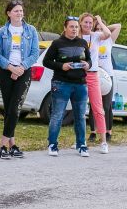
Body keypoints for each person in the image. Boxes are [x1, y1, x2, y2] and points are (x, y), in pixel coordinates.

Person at [0, 0, 40, 159]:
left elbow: (35, 53)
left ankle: (1, 146)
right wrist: (10, 67)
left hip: (24, 72)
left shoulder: (31, 30)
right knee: (8, 109)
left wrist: (20, 68)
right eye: (16, 11)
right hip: (6, 72)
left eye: (21, 10)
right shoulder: (1, 32)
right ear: (9, 13)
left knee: (15, 109)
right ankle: (12, 145)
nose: (19, 13)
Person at [43, 16, 92, 157]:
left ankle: (81, 145)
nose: (74, 29)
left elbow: (89, 60)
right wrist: (61, 66)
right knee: (57, 115)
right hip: (61, 83)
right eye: (71, 26)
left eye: (76, 27)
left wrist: (88, 64)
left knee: (80, 116)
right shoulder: (57, 43)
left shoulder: (83, 42)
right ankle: (52, 145)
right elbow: (46, 61)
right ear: (65, 28)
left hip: (80, 84)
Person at [79, 13, 112, 154]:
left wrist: (99, 20)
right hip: (79, 75)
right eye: (85, 22)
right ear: (80, 23)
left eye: (90, 23)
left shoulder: (96, 36)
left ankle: (103, 141)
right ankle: (80, 140)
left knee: (98, 109)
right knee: (79, 109)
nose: (88, 25)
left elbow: (108, 33)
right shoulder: (77, 37)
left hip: (93, 75)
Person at [91, 16, 121, 144]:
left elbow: (118, 26)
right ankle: (93, 132)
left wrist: (101, 24)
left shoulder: (109, 39)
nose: (99, 31)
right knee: (94, 105)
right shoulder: (93, 39)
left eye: (101, 28)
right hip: (95, 74)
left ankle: (108, 131)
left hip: (108, 75)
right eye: (96, 28)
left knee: (107, 105)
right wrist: (97, 31)